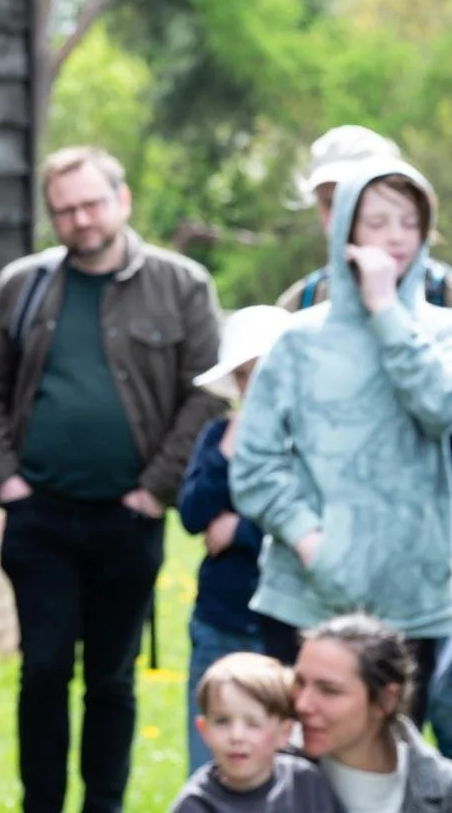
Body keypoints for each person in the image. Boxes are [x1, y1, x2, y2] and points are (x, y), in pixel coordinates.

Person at [0, 144, 222, 813]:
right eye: (64, 210)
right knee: (43, 672)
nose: (79, 220)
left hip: (127, 518)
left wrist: (154, 488)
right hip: (40, 516)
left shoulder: (182, 285)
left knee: (111, 680)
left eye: (90, 204)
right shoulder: (21, 285)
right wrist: (7, 480)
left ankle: (102, 806)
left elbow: (206, 396)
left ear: (122, 199)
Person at [230, 159, 452, 720]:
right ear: (346, 229)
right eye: (377, 221)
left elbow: (440, 408)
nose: (396, 236)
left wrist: (385, 310)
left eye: (408, 221)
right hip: (308, 596)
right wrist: (314, 545)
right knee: (309, 768)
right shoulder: (299, 341)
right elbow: (254, 464)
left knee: (395, 767)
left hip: (418, 601)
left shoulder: (443, 336)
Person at [178, 305, 292, 772]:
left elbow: (299, 516)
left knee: (283, 758)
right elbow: (192, 513)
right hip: (221, 620)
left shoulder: (306, 438)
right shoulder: (218, 435)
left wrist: (240, 530)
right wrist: (228, 451)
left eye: (261, 372)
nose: (252, 386)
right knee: (212, 760)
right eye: (242, 376)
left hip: (282, 624)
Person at [278, 125, 451, 312]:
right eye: (330, 202)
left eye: (356, 200)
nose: (341, 216)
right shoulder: (303, 301)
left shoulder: (443, 292)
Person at [294, 614, 452, 811]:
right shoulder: (265, 766)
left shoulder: (443, 792)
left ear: (387, 699)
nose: (302, 704)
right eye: (299, 683)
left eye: (329, 690)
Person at [170, 651, 345, 812]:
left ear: (284, 733)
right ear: (204, 730)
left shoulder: (306, 785)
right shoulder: (195, 805)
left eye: (253, 724)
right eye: (222, 721)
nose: (236, 736)